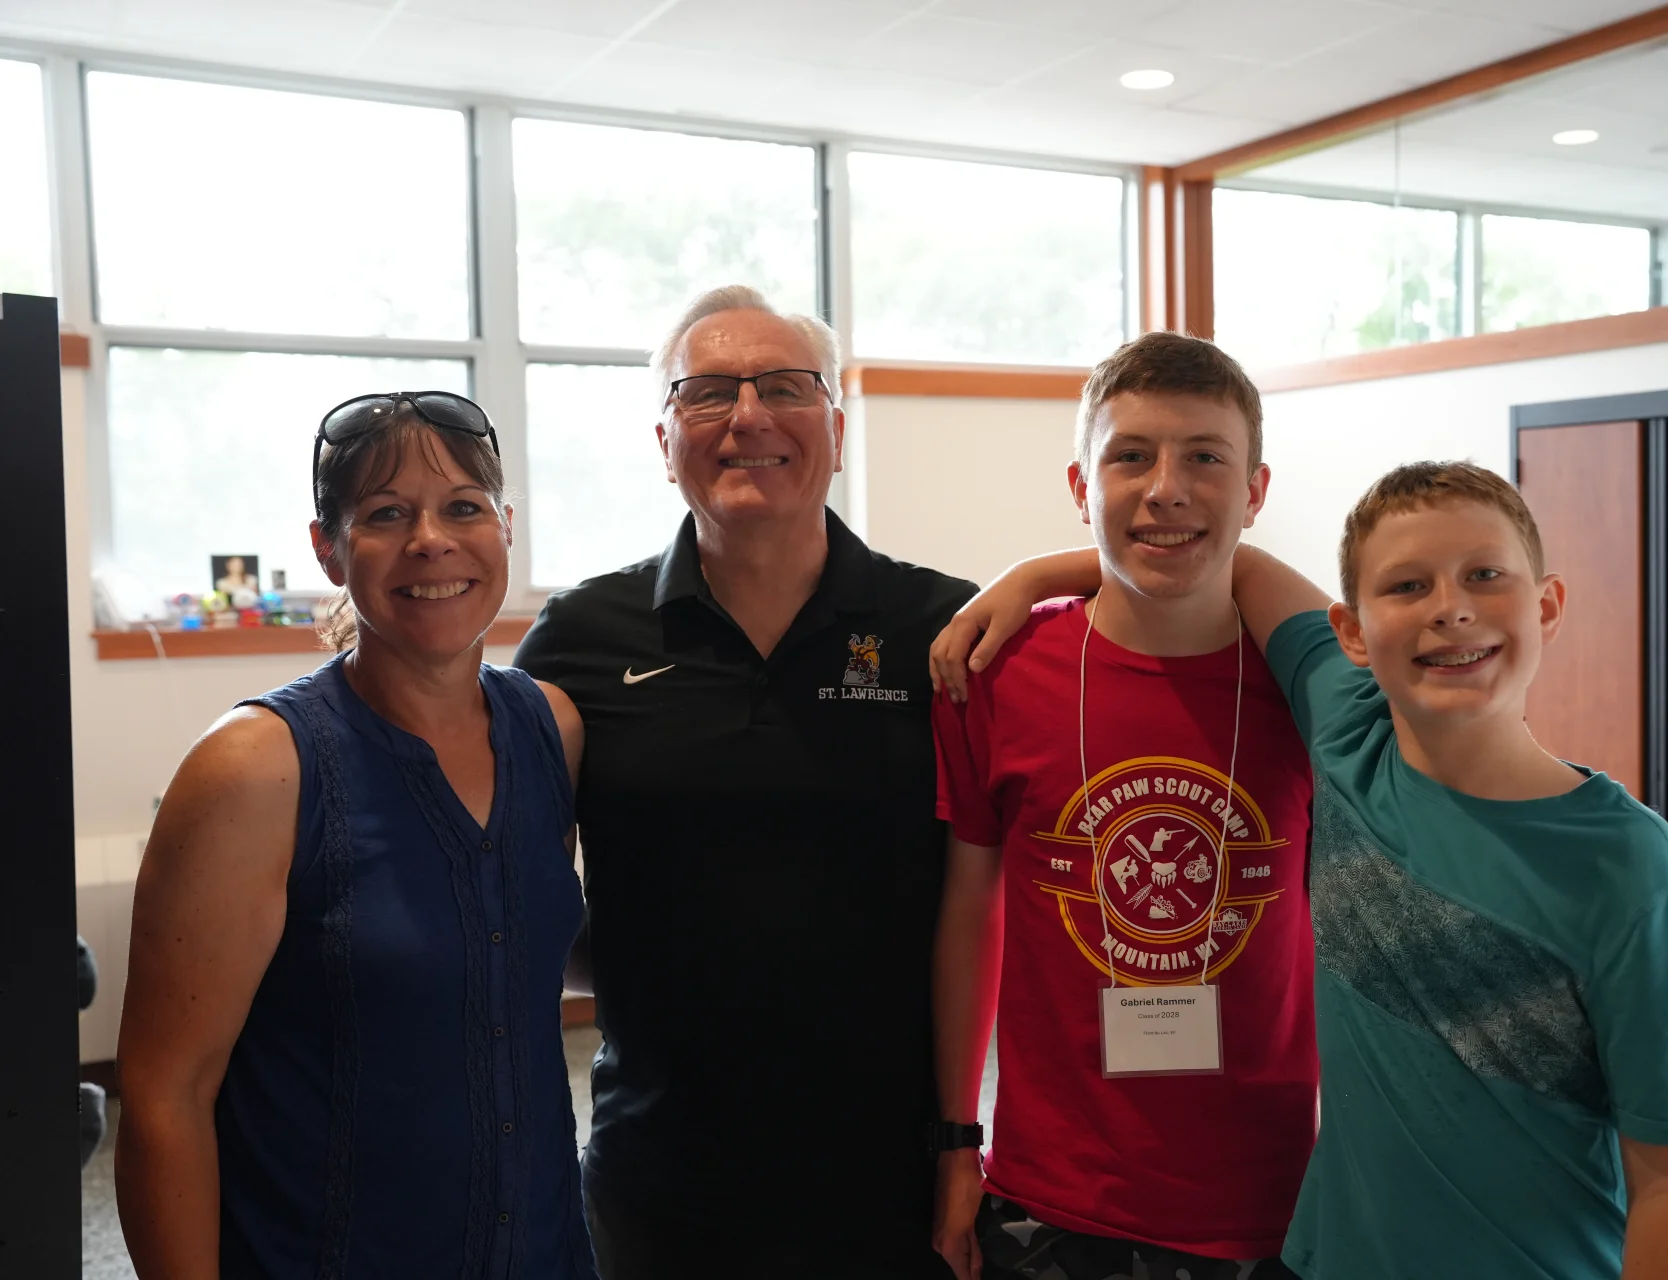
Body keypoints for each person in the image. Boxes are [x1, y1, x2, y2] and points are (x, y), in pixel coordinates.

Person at [932, 461, 1668, 1280]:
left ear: (1548, 605)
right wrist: (1028, 578)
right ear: (1351, 632)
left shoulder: (1635, 876)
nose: (1451, 608)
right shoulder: (1347, 732)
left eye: (1485, 576)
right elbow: (1223, 560)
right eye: (1409, 585)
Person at [514, 285, 977, 1278]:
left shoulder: (941, 628)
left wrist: (962, 1139)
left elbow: (982, 906)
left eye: (786, 386)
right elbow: (523, 901)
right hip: (662, 1166)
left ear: (838, 431)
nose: (750, 416)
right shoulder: (581, 639)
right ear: (664, 436)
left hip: (891, 1166)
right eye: (710, 390)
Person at [117, 392, 595, 1278]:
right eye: (384, 514)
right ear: (328, 549)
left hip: (540, 1251)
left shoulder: (550, 731)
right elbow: (164, 1097)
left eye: (463, 507)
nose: (430, 541)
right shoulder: (256, 771)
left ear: (506, 528)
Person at [927, 333, 1316, 1280]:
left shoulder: (1307, 687)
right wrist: (953, 1141)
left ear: (1256, 491)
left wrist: (1044, 567)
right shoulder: (998, 670)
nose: (1166, 487)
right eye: (1130, 455)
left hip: (1274, 1196)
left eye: (1205, 458)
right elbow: (970, 916)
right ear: (1080, 483)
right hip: (1055, 1191)